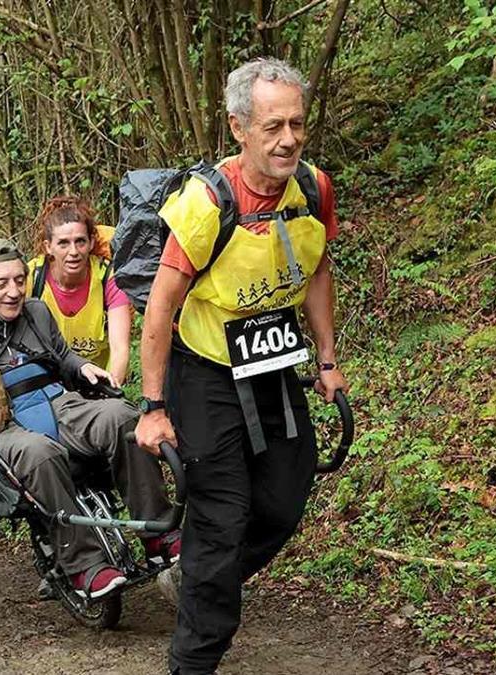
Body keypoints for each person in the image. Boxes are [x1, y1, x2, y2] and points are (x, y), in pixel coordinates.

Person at [134, 58, 349, 675]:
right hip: (204, 375)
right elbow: (162, 307)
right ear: (238, 128)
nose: (288, 139)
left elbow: (316, 271)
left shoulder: (314, 188)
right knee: (221, 519)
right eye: (272, 126)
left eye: (297, 124)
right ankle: (193, 661)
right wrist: (152, 408)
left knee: (283, 502)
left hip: (274, 365)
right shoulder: (207, 202)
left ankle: (196, 573)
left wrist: (328, 358)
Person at [0, 238, 176, 598]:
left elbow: (62, 356)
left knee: (123, 418)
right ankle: (84, 564)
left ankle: (159, 534)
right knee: (39, 454)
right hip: (5, 426)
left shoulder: (37, 313)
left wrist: (82, 367)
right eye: (0, 284)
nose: (13, 292)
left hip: (59, 403)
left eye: (19, 280)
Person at [26, 196, 133, 386]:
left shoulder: (107, 276)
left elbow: (120, 349)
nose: (73, 251)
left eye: (80, 241)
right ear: (48, 246)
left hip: (97, 383)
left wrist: (111, 391)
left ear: (92, 242)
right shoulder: (30, 278)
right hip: (44, 384)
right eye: (63, 243)